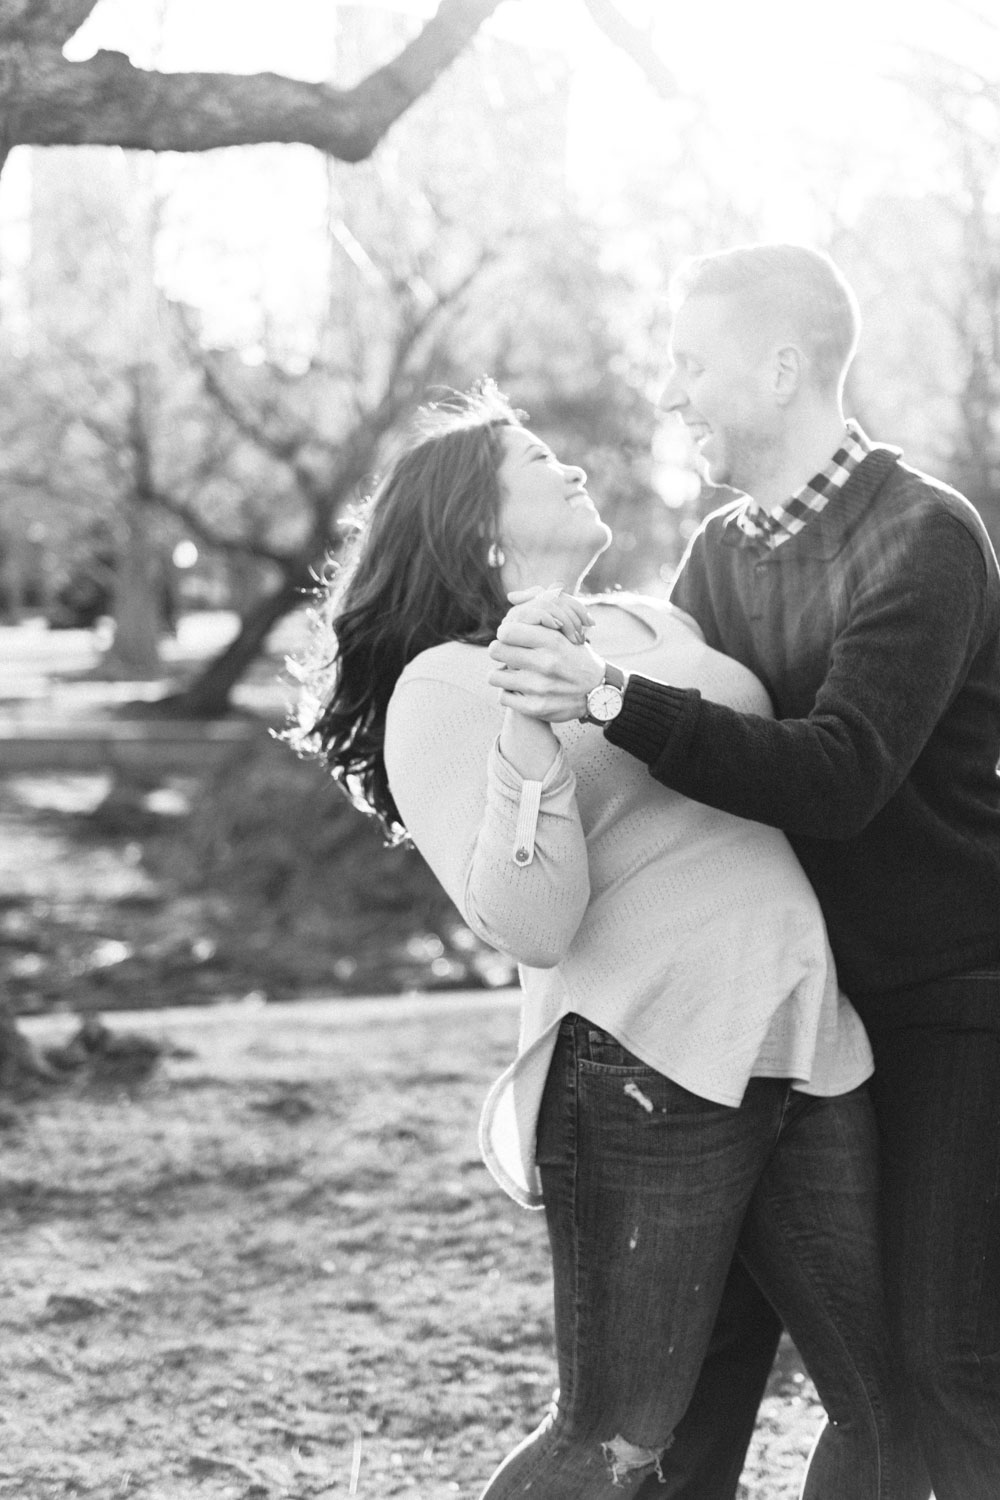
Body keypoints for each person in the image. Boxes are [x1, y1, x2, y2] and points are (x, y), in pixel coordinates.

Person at [295, 382, 924, 1498]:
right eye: (535, 459)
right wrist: (535, 714)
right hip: (645, 1067)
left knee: (897, 1403)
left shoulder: (658, 619)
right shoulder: (443, 686)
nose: (573, 467)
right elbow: (530, 923)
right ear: (476, 526)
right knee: (614, 1437)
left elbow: (782, 764)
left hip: (805, 1039)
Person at [487, 242, 1000, 1500]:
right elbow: (692, 735)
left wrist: (608, 692)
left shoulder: (924, 536)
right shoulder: (721, 547)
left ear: (781, 370)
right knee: (705, 1360)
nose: (670, 391)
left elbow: (835, 774)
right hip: (789, 1009)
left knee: (932, 1368)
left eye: (691, 361)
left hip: (944, 1002)